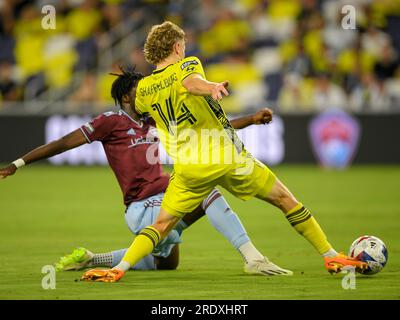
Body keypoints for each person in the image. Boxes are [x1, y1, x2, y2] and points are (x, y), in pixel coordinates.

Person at [78, 21, 367, 282]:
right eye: (183, 45)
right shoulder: (187, 64)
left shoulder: (143, 91)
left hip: (189, 168)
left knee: (163, 224)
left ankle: (118, 269)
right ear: (177, 46)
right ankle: (330, 256)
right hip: (225, 158)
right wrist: (212, 86)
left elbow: (145, 110)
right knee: (284, 198)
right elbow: (190, 83)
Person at [0, 66, 292, 276]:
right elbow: (64, 142)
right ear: (127, 99)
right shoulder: (110, 121)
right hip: (141, 205)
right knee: (207, 191)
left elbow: (212, 127)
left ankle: (93, 258)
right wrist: (17, 163)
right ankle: (252, 257)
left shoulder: (156, 120)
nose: (146, 95)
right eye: (140, 92)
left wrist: (251, 119)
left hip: (164, 197)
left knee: (166, 263)